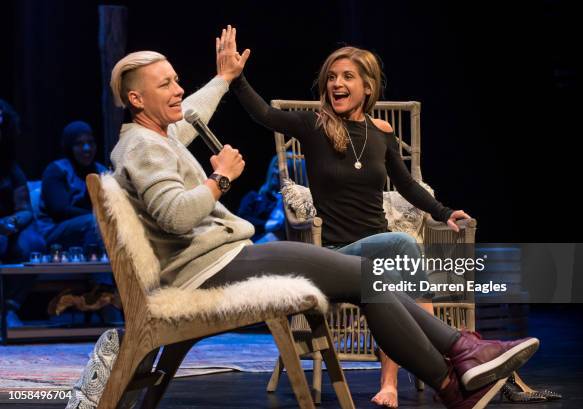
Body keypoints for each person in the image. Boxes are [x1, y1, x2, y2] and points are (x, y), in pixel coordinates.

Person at [108, 26, 539, 409]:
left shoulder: (157, 138)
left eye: (177, 80)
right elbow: (176, 217)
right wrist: (220, 178)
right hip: (211, 267)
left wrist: (223, 79)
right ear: (136, 99)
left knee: (372, 276)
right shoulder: (146, 147)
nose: (180, 89)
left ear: (368, 87)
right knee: (372, 274)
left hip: (222, 258)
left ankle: (458, 370)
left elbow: (190, 117)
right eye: (167, 84)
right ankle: (460, 365)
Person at [229, 43, 472, 406]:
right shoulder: (314, 126)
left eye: (347, 77)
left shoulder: (382, 132)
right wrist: (237, 79)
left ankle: (391, 383)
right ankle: (451, 357)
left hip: (376, 252)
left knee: (390, 269)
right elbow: (265, 114)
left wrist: (443, 212)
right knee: (402, 246)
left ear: (368, 87)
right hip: (335, 255)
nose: (336, 84)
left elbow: (405, 185)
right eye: (331, 77)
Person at [0, 99, 46, 327]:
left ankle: (10, 308)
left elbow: (25, 209)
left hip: (6, 226)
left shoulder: (10, 168)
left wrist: (12, 222)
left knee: (34, 244)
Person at [38, 121, 107, 250]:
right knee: (94, 222)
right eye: (79, 144)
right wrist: (99, 216)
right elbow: (60, 210)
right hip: (55, 229)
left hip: (93, 223)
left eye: (91, 143)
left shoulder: (100, 170)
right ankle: (97, 268)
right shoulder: (56, 170)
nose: (87, 149)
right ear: (70, 147)